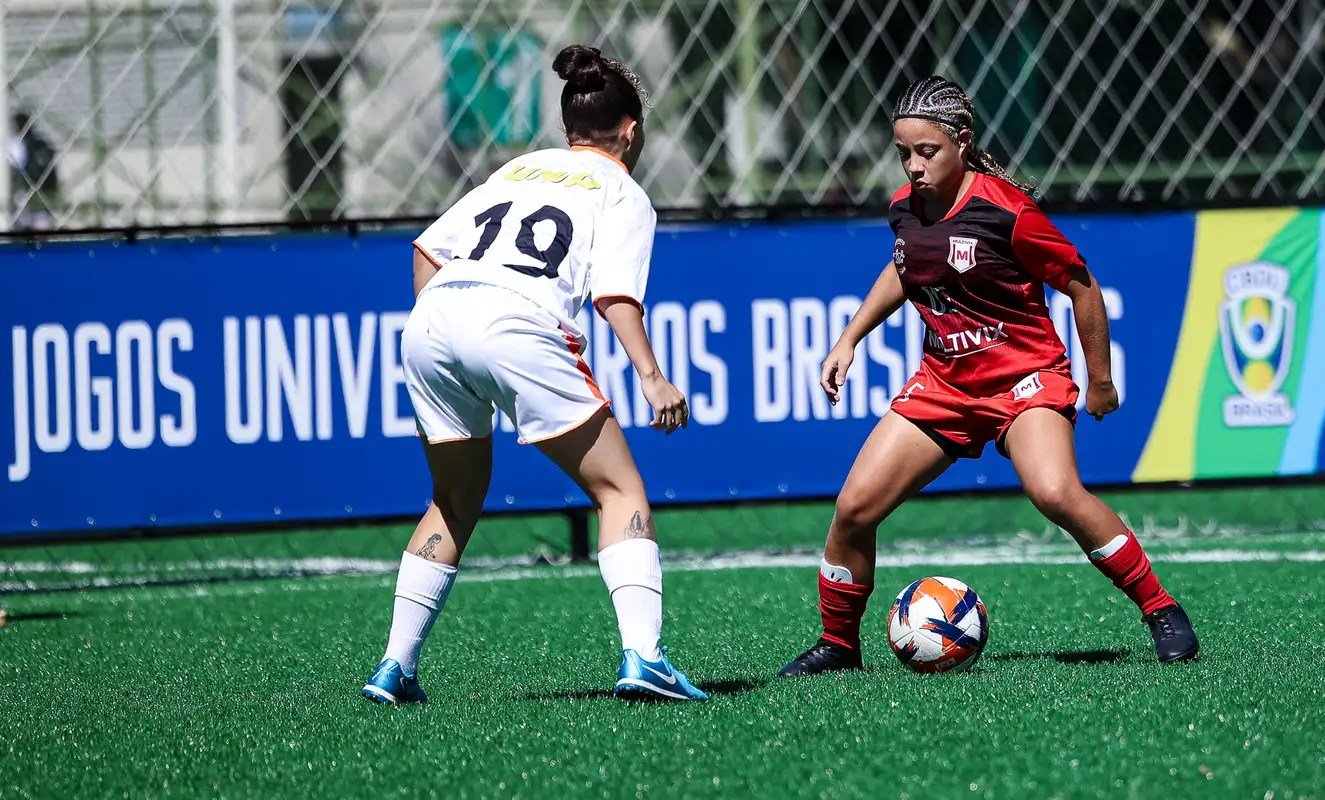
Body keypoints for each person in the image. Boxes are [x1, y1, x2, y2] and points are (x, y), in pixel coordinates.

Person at [779, 77, 1200, 677]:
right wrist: (848, 338)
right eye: (905, 153)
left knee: (1054, 492)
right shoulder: (905, 208)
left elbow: (1081, 285)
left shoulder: (1008, 212)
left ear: (962, 142)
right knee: (853, 509)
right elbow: (904, 270)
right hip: (946, 385)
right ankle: (838, 646)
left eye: (928, 152)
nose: (915, 166)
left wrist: (1099, 380)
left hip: (1024, 381)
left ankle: (1161, 610)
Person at [362, 44, 707, 704]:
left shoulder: (518, 170)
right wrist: (652, 377)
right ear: (630, 131)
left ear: (570, 130)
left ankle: (394, 667)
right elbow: (615, 297)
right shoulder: (623, 193)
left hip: (434, 319)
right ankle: (644, 657)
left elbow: (428, 249)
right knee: (621, 491)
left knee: (453, 502)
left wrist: (451, 335)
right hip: (516, 323)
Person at [6, 112, 59, 230]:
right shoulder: (41, 143)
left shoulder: (17, 144)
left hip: (23, 197)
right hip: (44, 197)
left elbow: (12, 171)